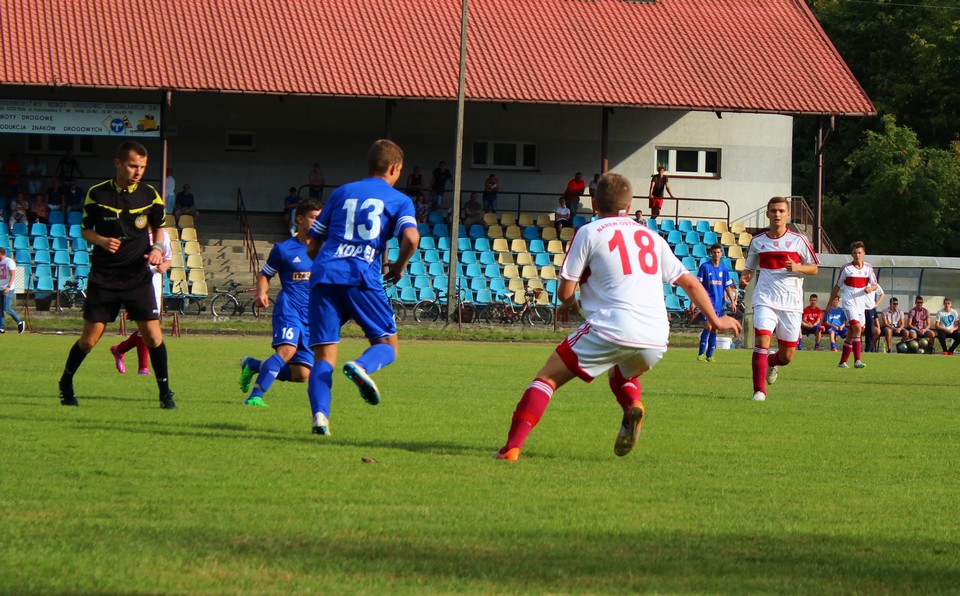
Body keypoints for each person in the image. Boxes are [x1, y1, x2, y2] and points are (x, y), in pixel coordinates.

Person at [494, 173, 741, 461]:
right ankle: (633, 404)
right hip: (656, 335)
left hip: (613, 325)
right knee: (621, 372)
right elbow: (689, 283)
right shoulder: (651, 236)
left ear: (595, 204)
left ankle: (511, 448)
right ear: (630, 203)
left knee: (547, 378)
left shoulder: (589, 231)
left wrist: (570, 303)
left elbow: (564, 292)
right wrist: (717, 319)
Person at [305, 139, 419, 435]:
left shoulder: (342, 193)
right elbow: (411, 238)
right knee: (388, 346)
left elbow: (313, 243)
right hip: (361, 276)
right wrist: (398, 266)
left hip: (324, 276)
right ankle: (361, 367)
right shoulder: (398, 199)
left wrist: (323, 262)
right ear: (394, 168)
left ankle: (320, 418)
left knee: (324, 356)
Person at [57, 141, 176, 409]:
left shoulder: (150, 195)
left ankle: (165, 394)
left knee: (154, 337)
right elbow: (85, 230)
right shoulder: (97, 194)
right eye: (134, 165)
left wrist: (157, 249)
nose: (138, 172)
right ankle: (65, 383)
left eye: (142, 167)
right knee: (88, 341)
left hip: (137, 277)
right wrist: (100, 240)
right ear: (118, 163)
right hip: (105, 278)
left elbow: (159, 228)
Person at [239, 199, 323, 407]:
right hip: (290, 308)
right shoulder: (284, 249)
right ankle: (255, 397)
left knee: (301, 374)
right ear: (301, 219)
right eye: (314, 218)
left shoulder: (326, 249)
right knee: (286, 351)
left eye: (321, 218)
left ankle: (253, 365)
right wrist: (261, 292)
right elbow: (265, 274)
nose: (318, 222)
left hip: (312, 315)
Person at [739, 196, 819, 402]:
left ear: (788, 215)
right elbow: (749, 268)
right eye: (773, 211)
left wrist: (798, 267)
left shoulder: (798, 240)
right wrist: (745, 278)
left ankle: (771, 362)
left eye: (781, 211)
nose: (777, 214)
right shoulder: (757, 242)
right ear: (767, 214)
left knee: (787, 356)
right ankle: (759, 391)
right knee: (762, 339)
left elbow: (814, 268)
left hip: (791, 303)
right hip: (765, 299)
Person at [110, 228, 173, 375]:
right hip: (137, 285)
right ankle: (143, 368)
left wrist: (164, 266)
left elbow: (169, 258)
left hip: (155, 286)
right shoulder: (134, 233)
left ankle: (119, 350)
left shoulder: (164, 235)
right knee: (147, 327)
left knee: (148, 329)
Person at [827, 241, 880, 369]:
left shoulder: (868, 268)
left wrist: (870, 289)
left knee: (852, 332)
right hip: (849, 303)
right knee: (856, 328)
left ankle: (842, 362)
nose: (857, 255)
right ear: (851, 254)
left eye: (859, 253)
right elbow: (837, 286)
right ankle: (857, 360)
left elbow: (875, 285)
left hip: (861, 304)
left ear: (864, 254)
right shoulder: (846, 268)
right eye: (855, 253)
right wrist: (829, 304)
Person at [696, 243, 737, 361]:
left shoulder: (723, 269)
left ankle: (710, 356)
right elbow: (698, 285)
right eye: (714, 252)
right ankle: (700, 354)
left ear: (721, 254)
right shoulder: (705, 267)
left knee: (715, 328)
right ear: (711, 253)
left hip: (719, 303)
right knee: (708, 326)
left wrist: (733, 302)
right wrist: (694, 300)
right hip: (706, 302)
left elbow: (728, 286)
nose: (716, 254)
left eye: (718, 252)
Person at [0, 247, 26, 334]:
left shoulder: (9, 261)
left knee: (6, 307)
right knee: (0, 308)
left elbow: (13, 275)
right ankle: (1, 327)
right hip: (0, 287)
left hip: (8, 288)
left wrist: (8, 286)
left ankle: (19, 322)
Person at [862, 282, 884, 353]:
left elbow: (882, 294)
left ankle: (868, 349)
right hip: (860, 308)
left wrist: (876, 304)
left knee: (870, 331)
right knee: (858, 329)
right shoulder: (860, 281)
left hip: (870, 309)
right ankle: (858, 348)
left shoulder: (874, 284)